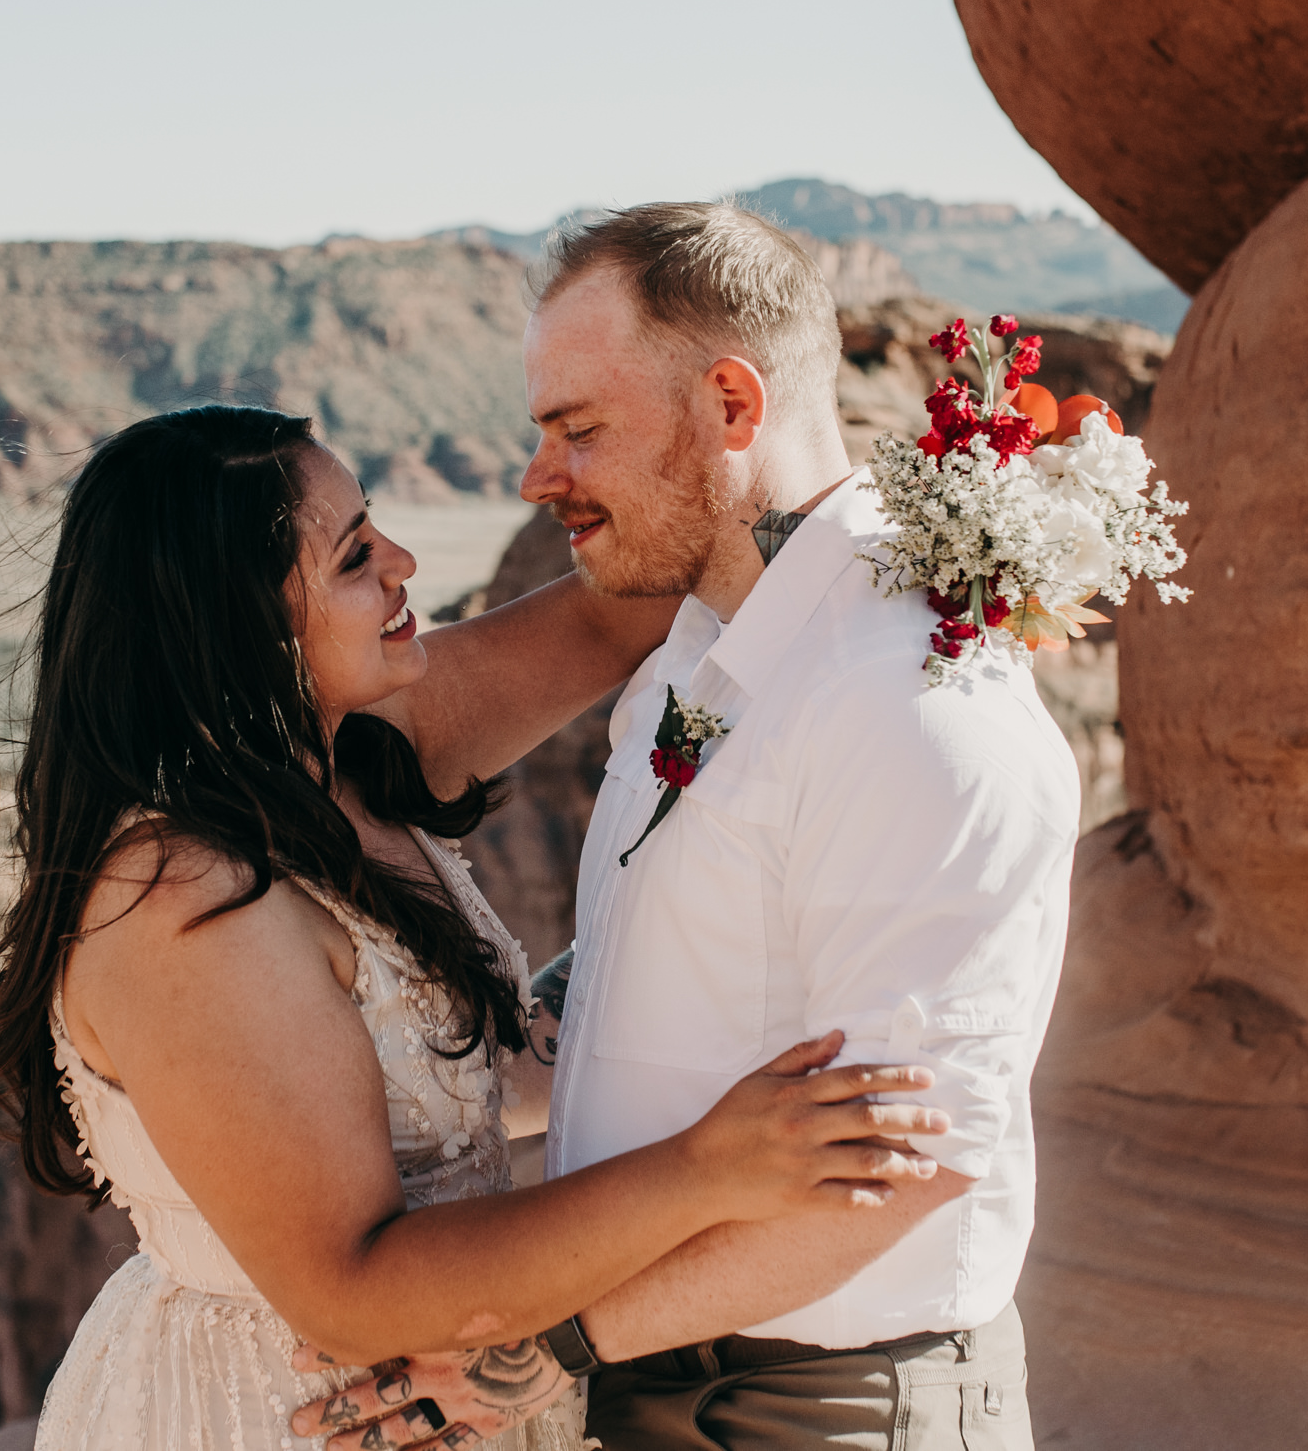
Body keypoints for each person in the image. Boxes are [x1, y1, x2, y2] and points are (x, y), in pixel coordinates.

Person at [0, 404, 951, 1451]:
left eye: (373, 526)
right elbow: (350, 1288)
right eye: (353, 558)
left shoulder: (354, 749)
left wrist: (923, 489)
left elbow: (612, 612)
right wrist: (706, 1166)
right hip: (285, 1411)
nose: (401, 561)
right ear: (239, 624)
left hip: (465, 1385)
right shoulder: (186, 904)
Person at [299, 205, 1080, 1450]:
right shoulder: (702, 654)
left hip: (814, 1406)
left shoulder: (910, 706)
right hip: (668, 1370)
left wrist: (544, 1348)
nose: (537, 475)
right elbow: (644, 987)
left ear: (730, 404)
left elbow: (912, 1161)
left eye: (578, 430)